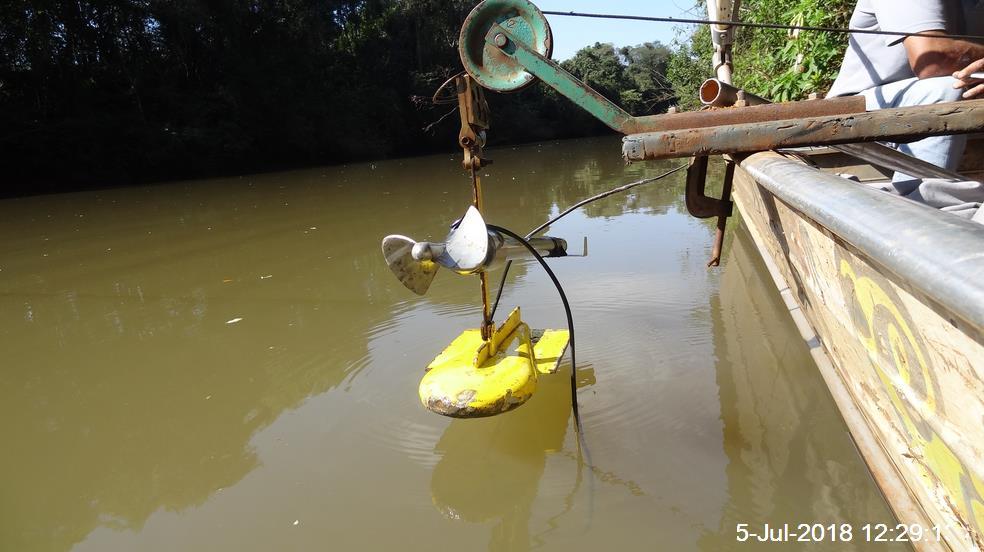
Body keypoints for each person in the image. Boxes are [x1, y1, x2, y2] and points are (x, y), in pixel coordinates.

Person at [827, 0, 984, 221]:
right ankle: (917, 217)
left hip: (951, 107)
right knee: (949, 89)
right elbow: (933, 60)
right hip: (856, 116)